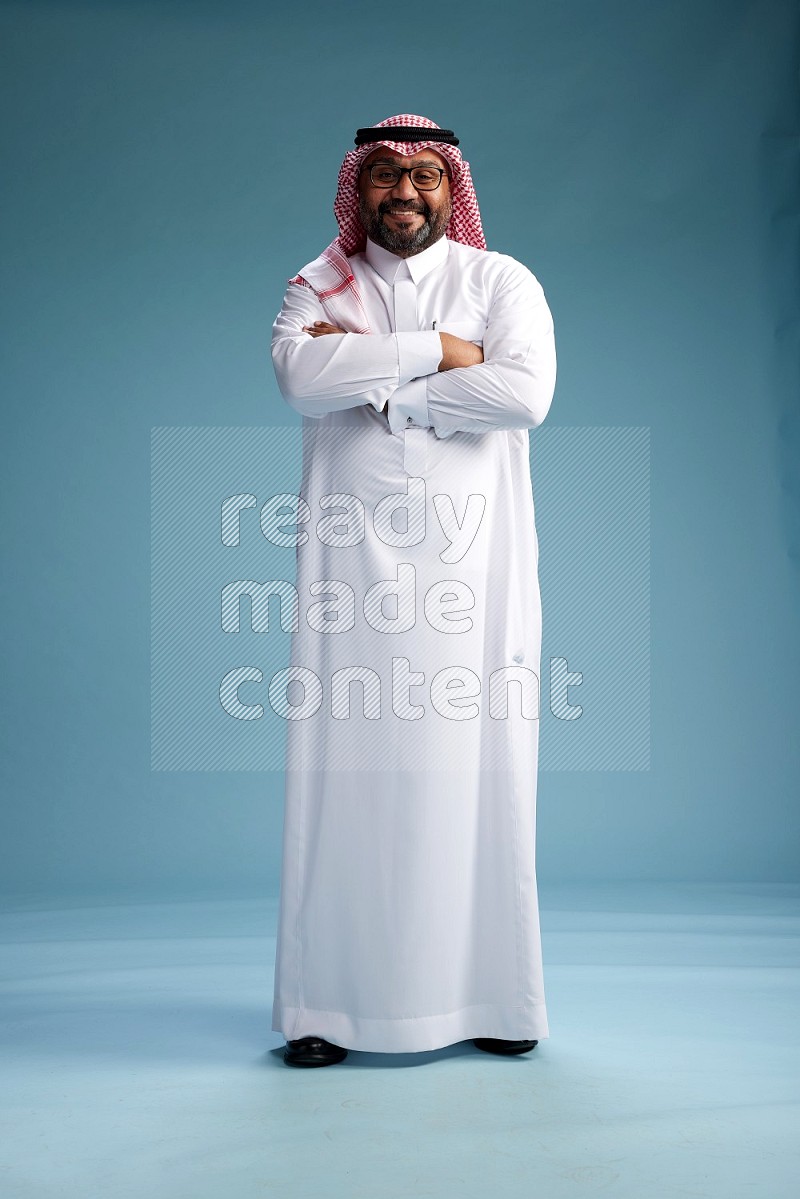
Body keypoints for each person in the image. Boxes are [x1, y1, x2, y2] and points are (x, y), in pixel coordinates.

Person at [270, 114, 557, 1068]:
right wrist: (441, 350)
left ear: (451, 186)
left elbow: (524, 395)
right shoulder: (318, 283)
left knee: (481, 778)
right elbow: (300, 376)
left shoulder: (501, 280)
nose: (404, 192)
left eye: (425, 175)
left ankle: (494, 1000)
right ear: (359, 188)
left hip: (475, 580)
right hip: (350, 585)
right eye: (386, 175)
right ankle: (326, 1011)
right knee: (340, 781)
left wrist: (385, 381)